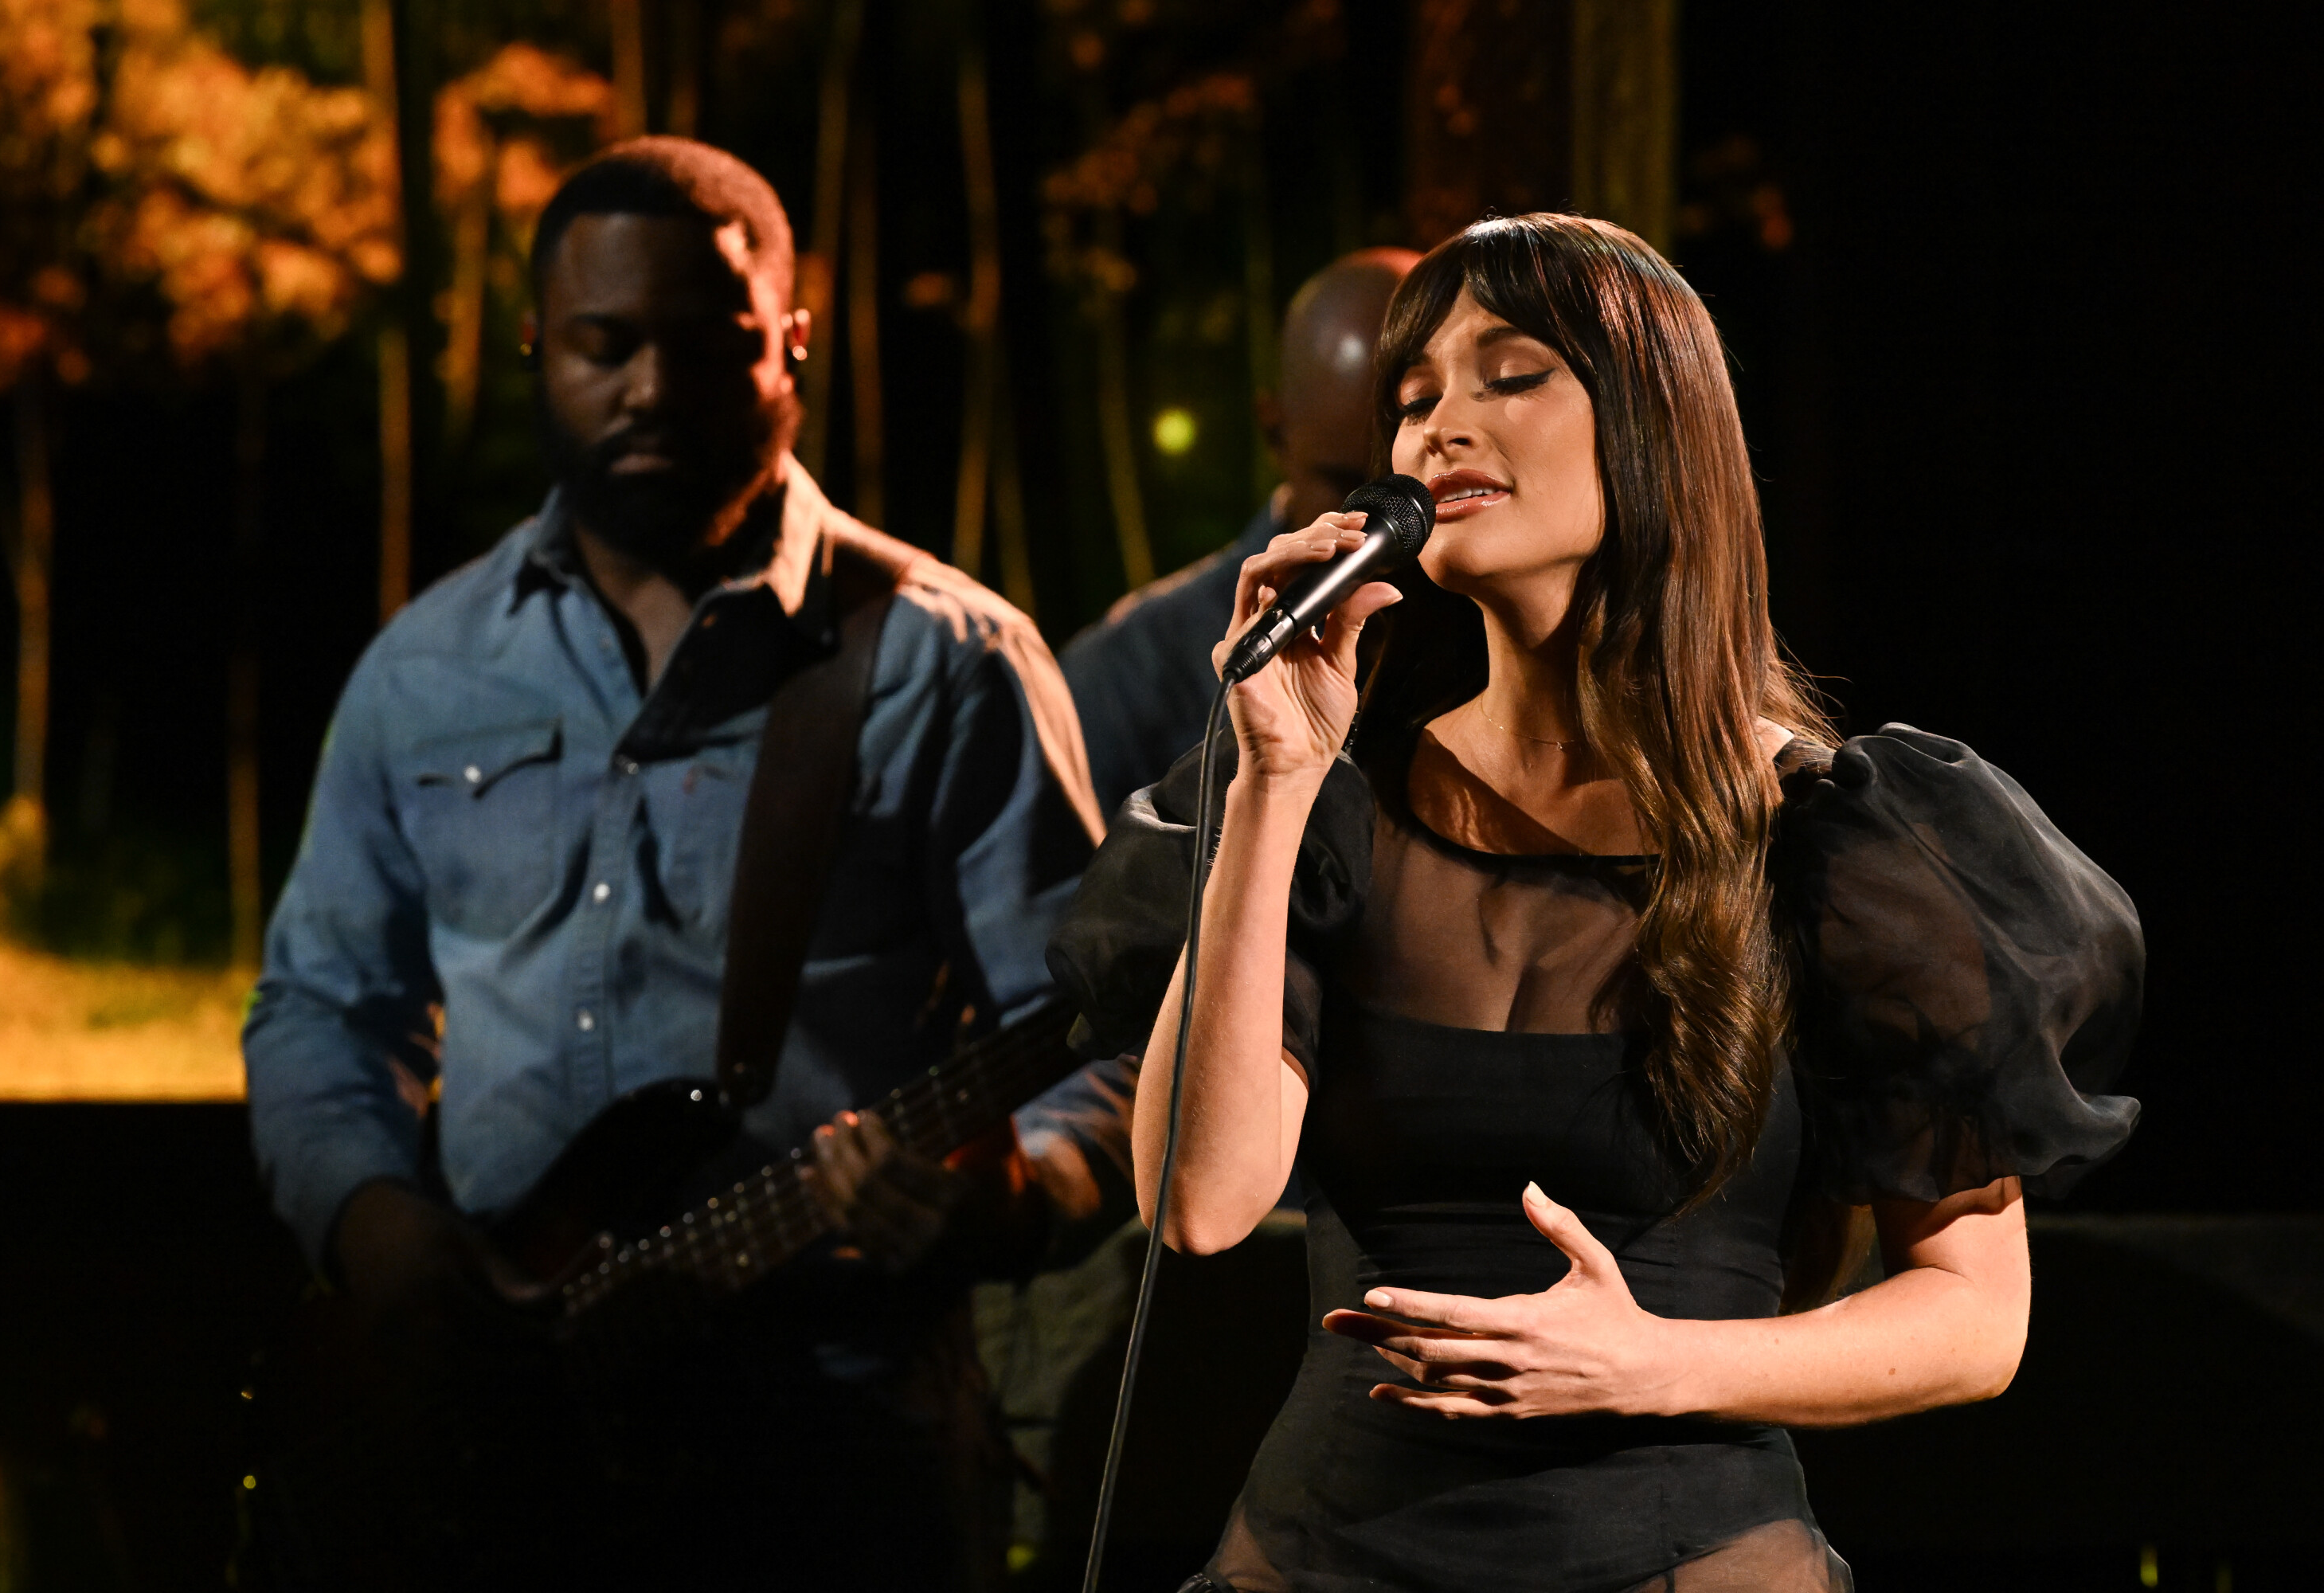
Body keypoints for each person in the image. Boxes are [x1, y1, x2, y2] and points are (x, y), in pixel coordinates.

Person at [1049, 214, 2143, 1591]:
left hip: (1679, 1551)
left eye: (1511, 376)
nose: (1442, 426)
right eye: (1414, 399)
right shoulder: (1331, 813)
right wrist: (1274, 777)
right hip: (1323, 1554)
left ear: (1652, 431)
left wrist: (1652, 1364)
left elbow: (1975, 1322)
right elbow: (1198, 1204)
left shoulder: (1837, 842)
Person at [245, 138, 1117, 1591]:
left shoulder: (948, 663)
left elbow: (1112, 1027)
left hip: (833, 1436)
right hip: (499, 1432)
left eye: (703, 346)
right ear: (538, 347)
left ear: (789, 344)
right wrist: (377, 1226)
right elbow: (323, 1007)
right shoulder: (424, 667)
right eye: (604, 346)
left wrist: (1031, 1194)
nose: (649, 388)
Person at [1062, 248, 1418, 818]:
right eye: (1349, 486)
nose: (1385, 532)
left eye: (1412, 497)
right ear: (1275, 433)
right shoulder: (1127, 673)